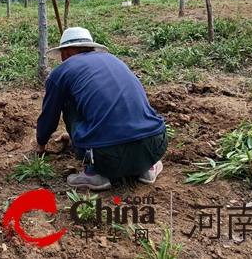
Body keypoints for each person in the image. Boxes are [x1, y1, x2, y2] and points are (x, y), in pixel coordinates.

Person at [34, 27, 167, 190]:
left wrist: (41, 144)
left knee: (69, 103)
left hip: (108, 157)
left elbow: (49, 116)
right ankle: (148, 168)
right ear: (91, 47)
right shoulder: (114, 61)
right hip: (155, 145)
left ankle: (93, 174)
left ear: (65, 53)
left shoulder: (61, 72)